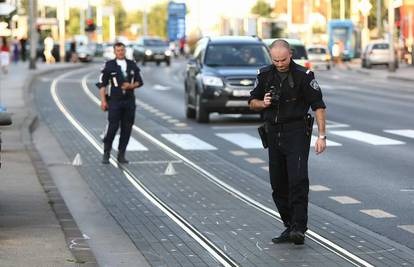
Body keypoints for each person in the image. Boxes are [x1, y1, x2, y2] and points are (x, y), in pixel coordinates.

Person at [248, 39, 326, 245]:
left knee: (298, 180)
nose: (280, 63)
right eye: (276, 60)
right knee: (278, 184)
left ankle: (299, 228)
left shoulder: (304, 76)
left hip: (296, 132)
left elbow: (318, 105)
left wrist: (322, 136)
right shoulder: (264, 75)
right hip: (273, 133)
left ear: (290, 54)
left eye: (283, 59)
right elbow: (251, 102)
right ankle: (289, 225)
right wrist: (262, 103)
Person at [96, 42, 144, 164]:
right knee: (113, 127)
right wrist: (103, 101)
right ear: (114, 52)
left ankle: (121, 154)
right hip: (115, 101)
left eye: (122, 50)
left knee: (127, 128)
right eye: (118, 50)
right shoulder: (109, 65)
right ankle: (106, 152)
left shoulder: (132, 64)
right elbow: (102, 85)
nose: (120, 52)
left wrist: (131, 85)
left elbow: (139, 81)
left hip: (129, 101)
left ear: (125, 51)